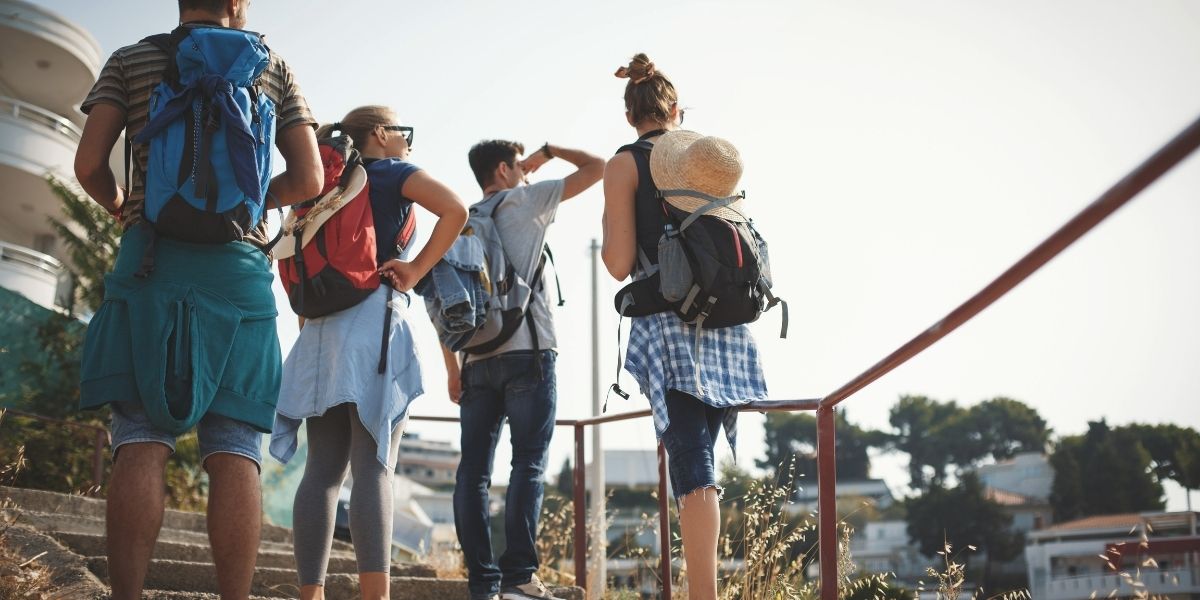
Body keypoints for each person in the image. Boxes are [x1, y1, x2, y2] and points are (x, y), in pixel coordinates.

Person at [72, 1, 323, 598]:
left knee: (139, 436)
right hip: (238, 272)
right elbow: (310, 179)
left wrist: (125, 208)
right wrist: (252, 201)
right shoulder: (273, 67)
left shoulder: (130, 59)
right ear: (237, 4)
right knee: (236, 446)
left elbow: (88, 165)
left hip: (150, 260)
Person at [269, 106, 467, 600]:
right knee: (374, 466)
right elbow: (455, 210)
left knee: (322, 471)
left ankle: (310, 594)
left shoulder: (324, 185)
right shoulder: (392, 172)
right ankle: (375, 595)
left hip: (320, 332)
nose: (408, 141)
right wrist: (416, 270)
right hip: (371, 324)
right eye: (404, 132)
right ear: (380, 133)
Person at [600, 53, 768, 600]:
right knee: (701, 460)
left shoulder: (625, 163)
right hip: (728, 324)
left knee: (693, 465)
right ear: (677, 111)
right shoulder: (705, 160)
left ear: (630, 115)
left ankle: (703, 595)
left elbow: (618, 263)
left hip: (669, 328)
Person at [449, 139, 604, 600]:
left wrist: (453, 368)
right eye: (519, 165)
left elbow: (445, 301)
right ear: (503, 169)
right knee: (528, 463)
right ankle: (518, 574)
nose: (526, 171)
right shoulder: (524, 200)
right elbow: (598, 167)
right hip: (527, 355)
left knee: (472, 473)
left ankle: (482, 583)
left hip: (474, 360)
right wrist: (549, 151)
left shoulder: (458, 220)